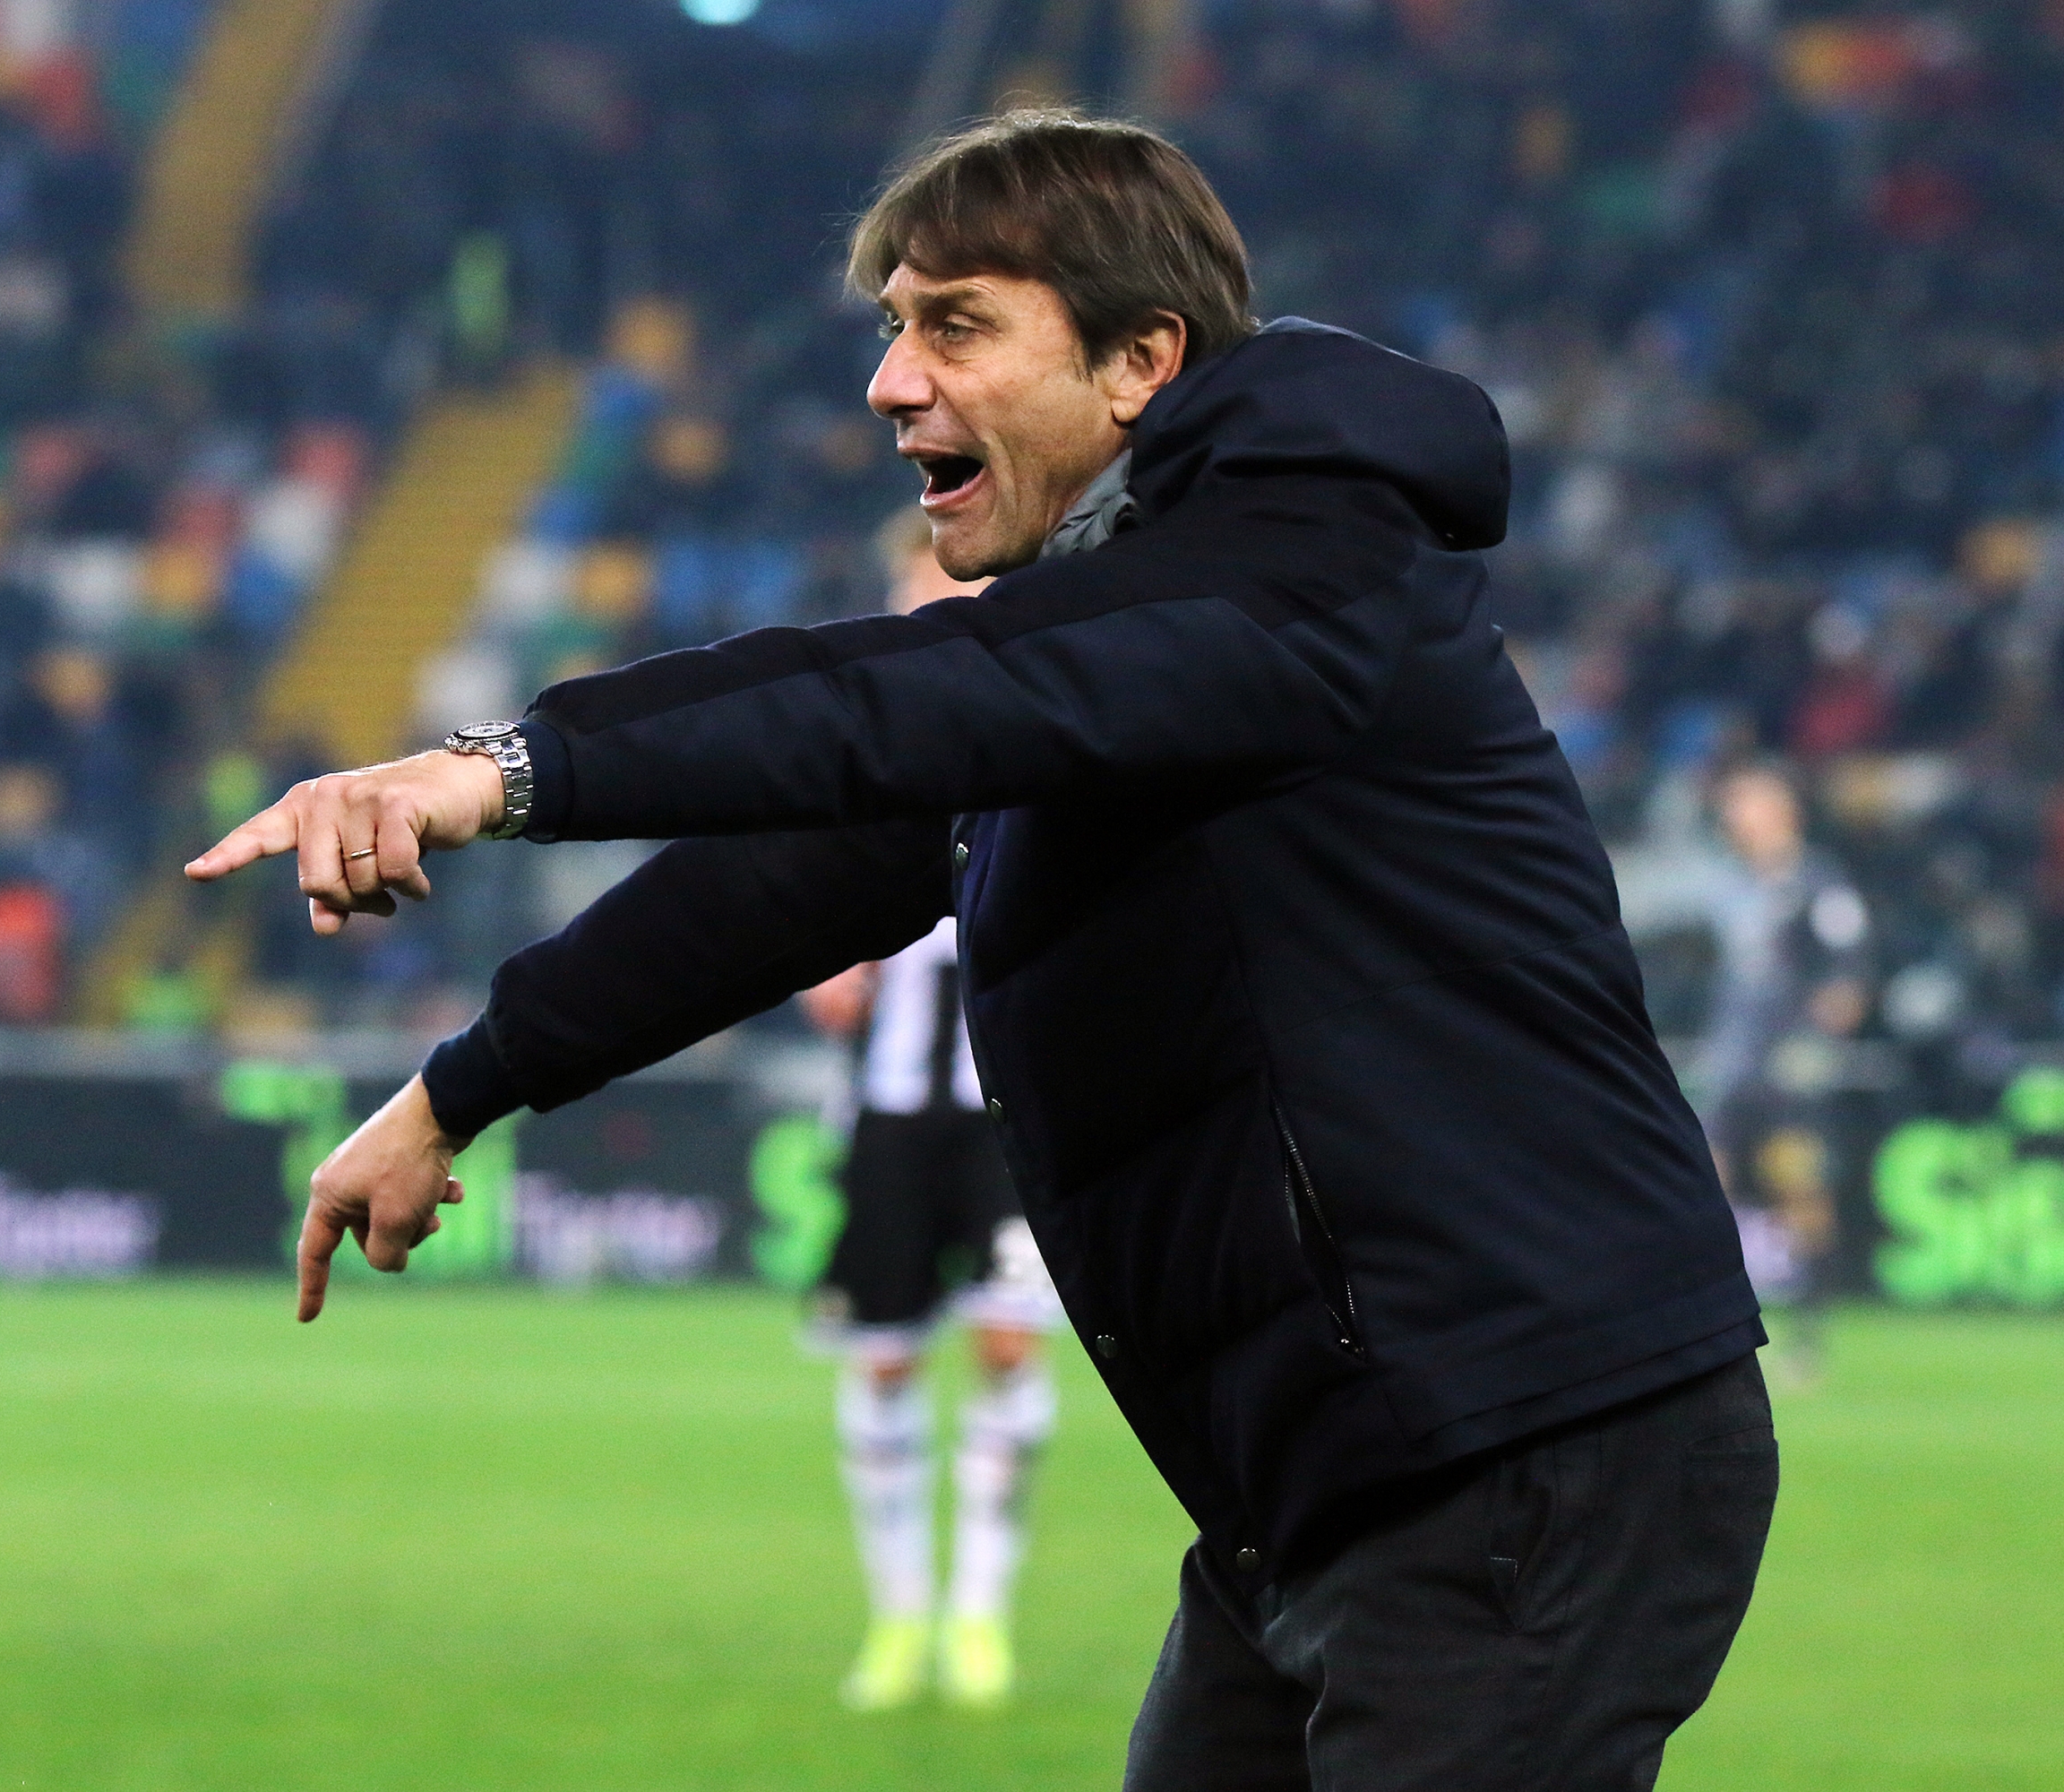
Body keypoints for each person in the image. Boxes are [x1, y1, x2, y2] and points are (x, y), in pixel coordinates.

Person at [190, 110, 1777, 1791]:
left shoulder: (1302, 572)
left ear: (1138, 365)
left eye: (956, 324)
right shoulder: (1112, 630)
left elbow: (900, 699)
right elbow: (790, 878)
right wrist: (459, 1088)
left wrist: (498, 770)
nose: (890, 381)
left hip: (1521, 1452)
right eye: (892, 327)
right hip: (1323, 1499)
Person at [794, 511, 1062, 1712]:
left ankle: (979, 1615)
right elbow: (800, 941)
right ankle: (897, 1614)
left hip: (1012, 1111)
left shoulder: (1046, 740)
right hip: (895, 1113)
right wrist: (825, 967)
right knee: (887, 1362)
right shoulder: (862, 764)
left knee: (1007, 1342)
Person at [1690, 759, 1873, 1388]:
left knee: (1800, 1193)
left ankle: (1809, 1338)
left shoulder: (1819, 886)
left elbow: (1848, 978)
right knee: (1699, 1189)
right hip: (1733, 1065)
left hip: (1786, 1070)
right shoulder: (1732, 886)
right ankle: (1708, 1333)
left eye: (1745, 803)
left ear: (1780, 812)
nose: (1732, 816)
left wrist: (1815, 1044)